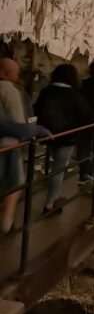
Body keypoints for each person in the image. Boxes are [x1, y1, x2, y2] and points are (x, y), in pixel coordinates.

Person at [34, 64, 92, 215]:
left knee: (55, 165)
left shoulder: (46, 91)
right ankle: (49, 205)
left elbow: (36, 109)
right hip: (67, 136)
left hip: (47, 134)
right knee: (59, 169)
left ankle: (54, 196)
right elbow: (85, 115)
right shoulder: (74, 94)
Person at [0, 58, 26, 233]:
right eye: (15, 72)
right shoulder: (9, 91)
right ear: (5, 73)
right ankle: (6, 223)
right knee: (16, 182)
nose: (17, 76)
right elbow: (18, 122)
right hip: (8, 145)